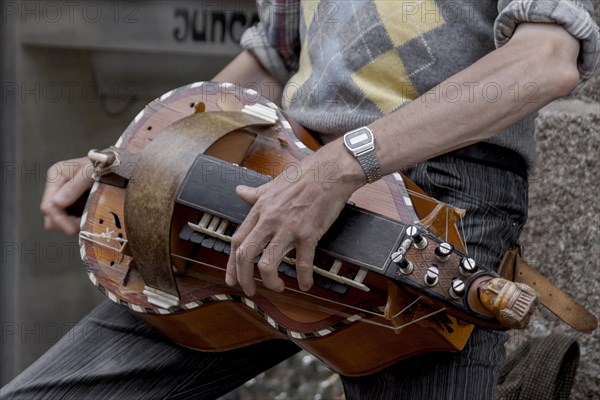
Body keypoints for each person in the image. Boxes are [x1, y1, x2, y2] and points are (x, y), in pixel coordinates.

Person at [3, 1, 598, 399]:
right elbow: (271, 64)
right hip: (269, 175)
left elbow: (544, 61)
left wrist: (337, 169)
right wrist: (131, 161)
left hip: (430, 191)